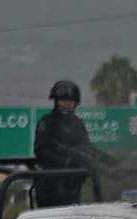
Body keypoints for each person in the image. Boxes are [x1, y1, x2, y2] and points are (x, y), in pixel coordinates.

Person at [33, 79, 116, 207]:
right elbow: (41, 152)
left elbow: (87, 149)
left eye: (71, 101)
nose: (67, 104)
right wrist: (67, 160)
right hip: (50, 182)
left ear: (75, 103)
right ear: (56, 101)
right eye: (63, 100)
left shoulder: (77, 124)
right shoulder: (47, 122)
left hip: (71, 184)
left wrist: (110, 161)